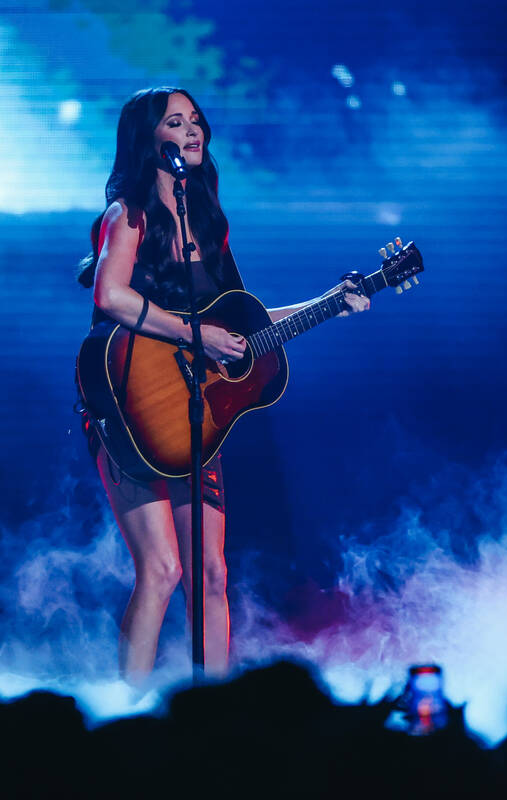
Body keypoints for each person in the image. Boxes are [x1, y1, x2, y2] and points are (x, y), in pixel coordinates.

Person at [77, 87, 370, 684]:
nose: (190, 132)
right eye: (174, 122)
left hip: (195, 417)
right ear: (146, 139)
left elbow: (242, 329)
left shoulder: (210, 222)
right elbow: (110, 295)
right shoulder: (126, 215)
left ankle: (211, 712)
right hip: (129, 407)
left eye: (194, 121)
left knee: (211, 573)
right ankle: (126, 707)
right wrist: (195, 334)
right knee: (160, 572)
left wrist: (327, 305)